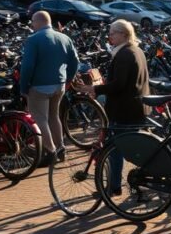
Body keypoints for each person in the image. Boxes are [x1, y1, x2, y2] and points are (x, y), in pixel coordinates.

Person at [79, 19, 149, 196]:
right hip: (136, 107)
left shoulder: (124, 54)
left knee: (116, 149)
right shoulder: (136, 50)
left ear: (123, 34)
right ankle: (145, 176)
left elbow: (118, 84)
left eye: (112, 33)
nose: (109, 37)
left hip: (124, 110)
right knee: (135, 148)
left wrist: (95, 88)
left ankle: (113, 187)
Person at [20, 10, 80, 166]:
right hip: (59, 85)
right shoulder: (64, 38)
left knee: (41, 118)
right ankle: (61, 148)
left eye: (33, 22)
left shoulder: (34, 39)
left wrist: (23, 87)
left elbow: (27, 66)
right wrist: (68, 79)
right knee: (54, 116)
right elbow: (75, 62)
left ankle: (51, 151)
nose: (32, 25)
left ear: (39, 22)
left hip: (39, 86)